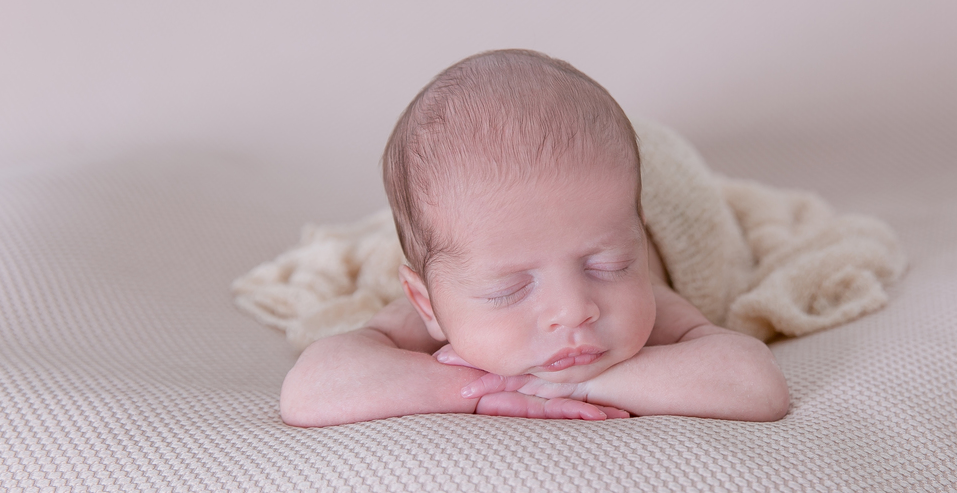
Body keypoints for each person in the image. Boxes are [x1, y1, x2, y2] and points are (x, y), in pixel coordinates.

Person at [279, 50, 789, 426]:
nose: (574, 309)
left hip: (656, 179)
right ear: (426, 304)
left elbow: (754, 384)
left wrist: (577, 383)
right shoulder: (444, 294)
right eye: (509, 289)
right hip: (511, 209)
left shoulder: (648, 292)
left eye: (606, 266)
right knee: (455, 216)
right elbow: (310, 391)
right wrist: (474, 386)